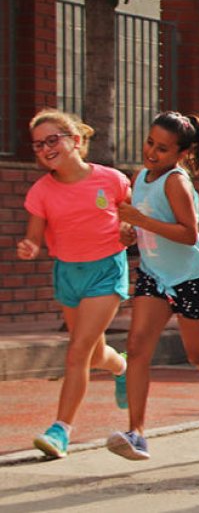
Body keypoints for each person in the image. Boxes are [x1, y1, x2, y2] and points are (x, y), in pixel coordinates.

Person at [106, 112, 199, 461]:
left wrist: (142, 221)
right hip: (154, 275)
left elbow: (189, 235)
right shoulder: (139, 177)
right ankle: (137, 433)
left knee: (198, 354)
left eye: (162, 148)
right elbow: (139, 227)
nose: (152, 153)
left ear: (181, 153)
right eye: (149, 143)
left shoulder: (176, 181)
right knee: (138, 345)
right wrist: (130, 233)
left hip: (191, 278)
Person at [20, 110, 132, 459]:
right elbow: (35, 236)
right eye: (39, 144)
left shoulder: (111, 179)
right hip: (67, 273)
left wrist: (130, 234)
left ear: (76, 141)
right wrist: (30, 246)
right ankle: (121, 366)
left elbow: (131, 219)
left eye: (53, 140)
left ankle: (60, 431)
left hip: (106, 271)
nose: (45, 149)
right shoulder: (41, 191)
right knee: (94, 353)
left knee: (78, 351)